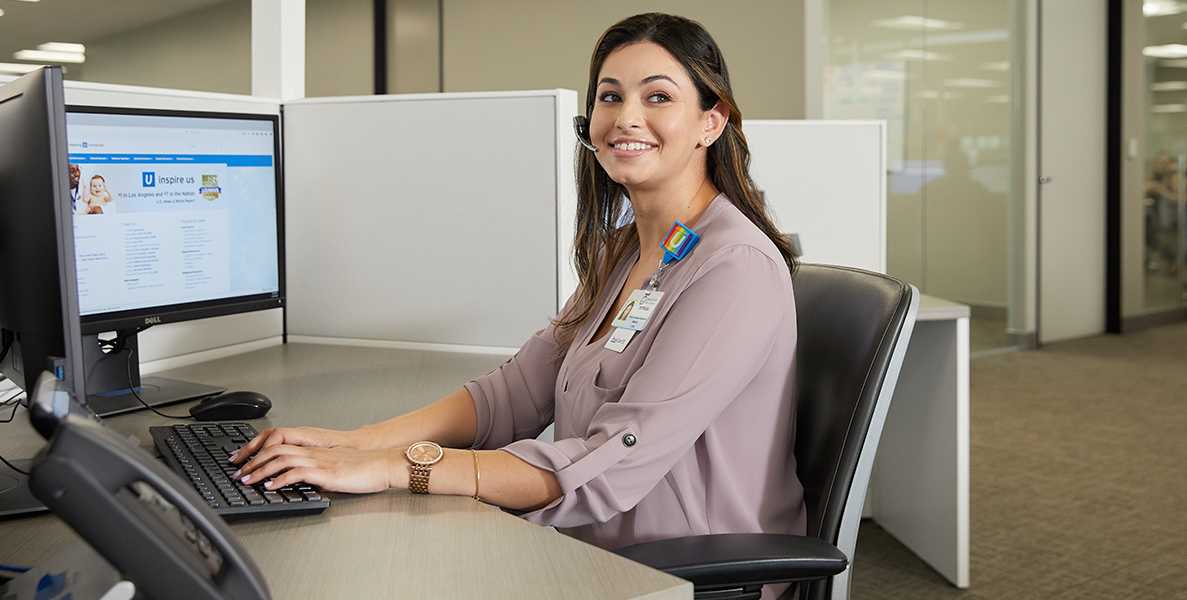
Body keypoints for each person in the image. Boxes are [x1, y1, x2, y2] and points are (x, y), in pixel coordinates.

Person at [232, 12, 804, 598]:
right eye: (611, 97)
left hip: (684, 573)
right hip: (596, 546)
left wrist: (399, 466)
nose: (627, 117)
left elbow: (612, 461)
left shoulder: (733, 268)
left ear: (711, 121)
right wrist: (353, 442)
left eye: (658, 96)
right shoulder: (628, 250)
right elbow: (514, 395)